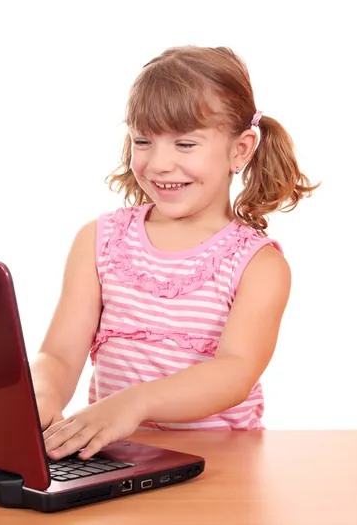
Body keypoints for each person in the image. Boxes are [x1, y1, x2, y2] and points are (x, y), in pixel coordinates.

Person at [30, 45, 318, 462]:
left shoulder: (258, 264)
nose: (159, 163)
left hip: (219, 466)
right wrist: (39, 396)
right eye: (143, 140)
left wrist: (135, 402)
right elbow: (58, 355)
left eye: (185, 144)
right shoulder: (99, 240)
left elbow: (235, 371)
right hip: (115, 460)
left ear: (240, 150)